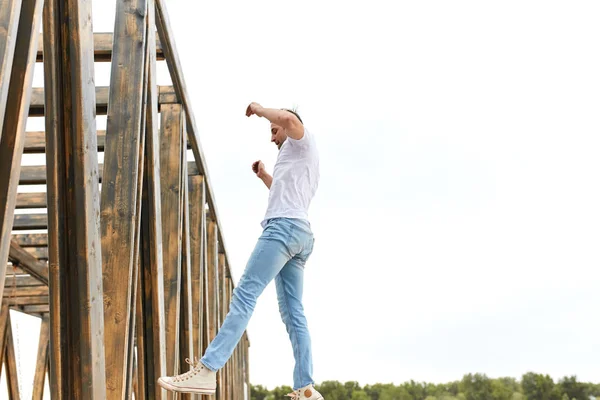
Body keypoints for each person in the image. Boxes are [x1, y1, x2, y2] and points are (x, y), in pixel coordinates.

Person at [158, 103, 324, 400]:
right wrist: (264, 177)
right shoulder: (298, 159)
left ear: (289, 127)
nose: (272, 137)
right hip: (300, 234)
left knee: (245, 294)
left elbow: (287, 117)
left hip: (282, 230)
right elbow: (284, 195)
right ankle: (306, 389)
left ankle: (208, 370)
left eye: (274, 132)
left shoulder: (301, 140)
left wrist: (260, 110)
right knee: (293, 312)